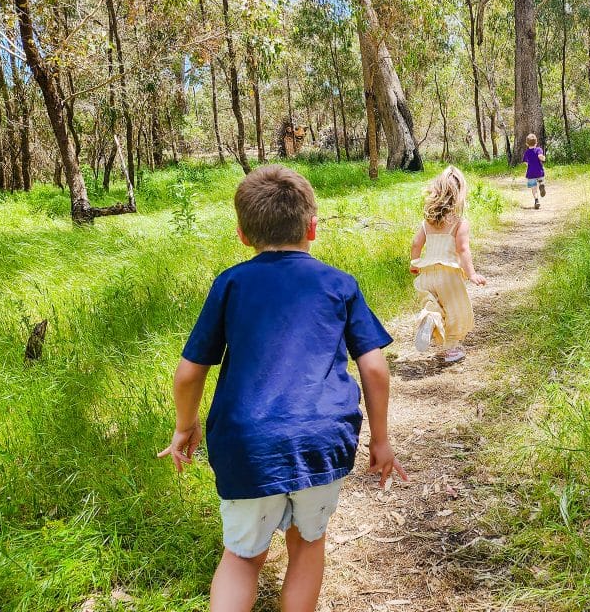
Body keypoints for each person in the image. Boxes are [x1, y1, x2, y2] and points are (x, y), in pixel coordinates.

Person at [158, 165, 406, 612]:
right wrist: (382, 440)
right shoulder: (339, 284)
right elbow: (375, 370)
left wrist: (184, 425)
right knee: (308, 545)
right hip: (320, 438)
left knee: (242, 557)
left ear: (241, 233)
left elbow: (190, 372)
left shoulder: (230, 284)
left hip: (247, 443)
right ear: (312, 227)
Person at [409, 166, 486, 364]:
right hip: (448, 275)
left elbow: (416, 243)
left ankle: (430, 318)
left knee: (433, 304)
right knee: (457, 312)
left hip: (427, 275)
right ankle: (451, 349)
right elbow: (462, 249)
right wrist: (471, 274)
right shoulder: (459, 223)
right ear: (460, 194)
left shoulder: (427, 222)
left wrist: (415, 264)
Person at [522, 134, 546, 209]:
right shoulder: (539, 149)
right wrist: (542, 158)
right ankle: (541, 184)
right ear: (536, 142)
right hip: (539, 171)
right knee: (540, 180)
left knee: (534, 188)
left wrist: (529, 164)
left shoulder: (526, 152)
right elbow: (541, 157)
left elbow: (525, 162)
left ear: (527, 144)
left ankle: (536, 200)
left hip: (531, 173)